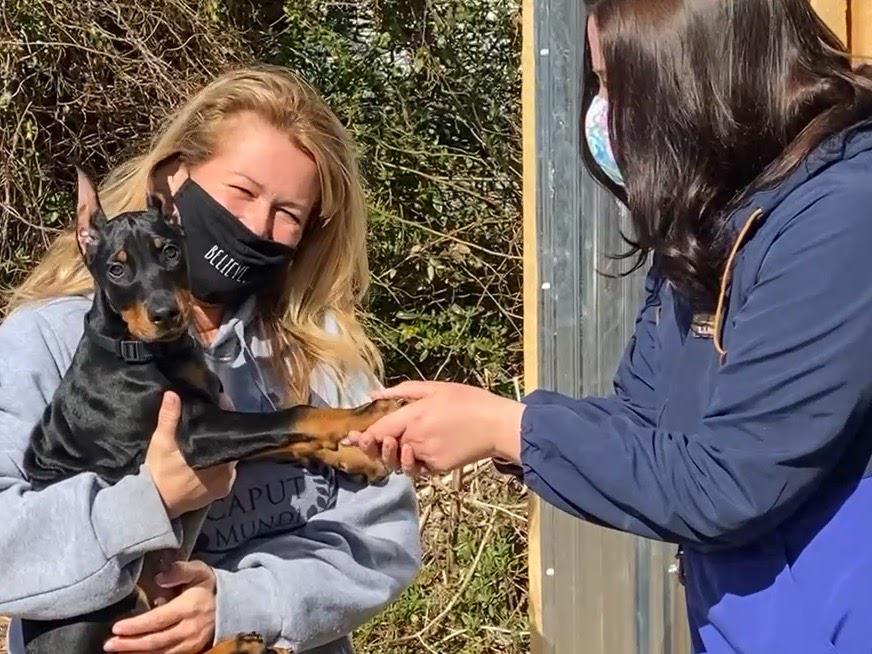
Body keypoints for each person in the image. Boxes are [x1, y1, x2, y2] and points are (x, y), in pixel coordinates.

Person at [348, 1, 872, 652]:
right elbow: (644, 422)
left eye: (614, 82)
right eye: (597, 81)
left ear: (690, 78)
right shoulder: (712, 219)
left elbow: (732, 480)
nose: (601, 110)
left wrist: (507, 428)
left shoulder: (843, 215)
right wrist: (491, 425)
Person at [0, 66, 420, 654]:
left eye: (288, 214)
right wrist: (149, 499)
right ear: (175, 181)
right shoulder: (42, 341)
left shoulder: (321, 351)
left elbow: (383, 541)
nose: (254, 225)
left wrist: (240, 603)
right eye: (242, 191)